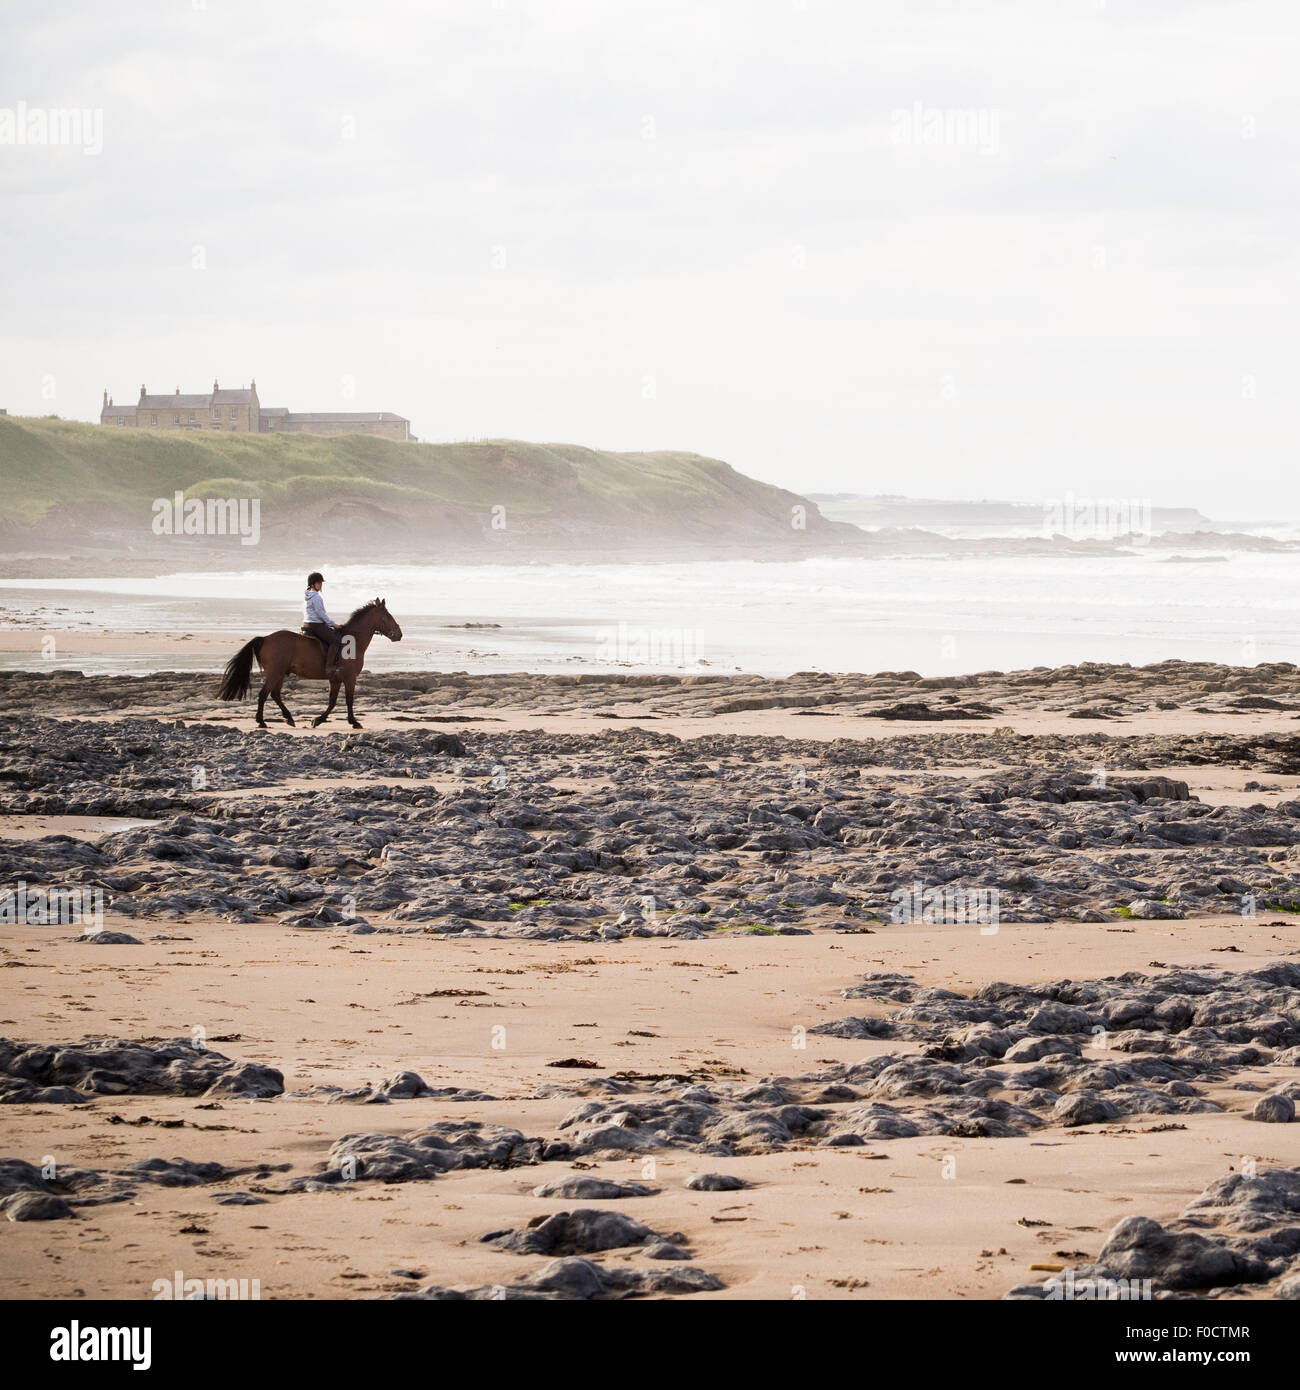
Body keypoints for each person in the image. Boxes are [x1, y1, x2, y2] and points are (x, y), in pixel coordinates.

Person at [302, 571, 342, 675]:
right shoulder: (316, 597)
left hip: (307, 623)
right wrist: (333, 624)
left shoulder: (307, 595)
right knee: (335, 641)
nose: (320, 585)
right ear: (312, 584)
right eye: (318, 583)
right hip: (316, 625)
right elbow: (321, 614)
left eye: (321, 583)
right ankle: (329, 666)